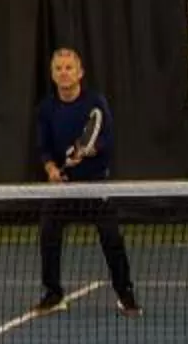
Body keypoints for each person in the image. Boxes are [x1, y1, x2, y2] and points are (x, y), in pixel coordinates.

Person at [33, 45, 139, 316]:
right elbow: (44, 147)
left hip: (95, 185)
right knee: (48, 233)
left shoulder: (95, 103)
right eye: (58, 68)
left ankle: (125, 294)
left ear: (80, 72)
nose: (64, 73)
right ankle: (53, 294)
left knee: (111, 237)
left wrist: (88, 150)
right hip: (63, 188)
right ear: (52, 74)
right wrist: (51, 169)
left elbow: (107, 139)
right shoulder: (46, 109)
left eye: (69, 68)